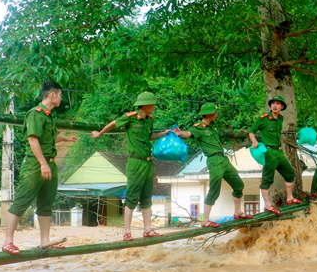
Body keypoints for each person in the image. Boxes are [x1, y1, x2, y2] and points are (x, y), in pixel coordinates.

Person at [91, 91, 165, 240]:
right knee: (131, 196)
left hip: (148, 162)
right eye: (152, 105)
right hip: (135, 162)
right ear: (145, 105)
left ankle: (148, 229)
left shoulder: (150, 120)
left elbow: (149, 136)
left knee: (146, 197)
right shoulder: (130, 117)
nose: (154, 107)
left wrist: (164, 133)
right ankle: (127, 232)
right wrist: (100, 133)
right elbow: (113, 123)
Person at [3, 80, 64, 252]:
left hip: (50, 164)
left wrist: (65, 139)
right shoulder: (35, 114)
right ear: (52, 95)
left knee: (46, 204)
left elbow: (48, 139)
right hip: (36, 164)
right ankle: (8, 241)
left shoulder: (49, 116)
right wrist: (43, 164)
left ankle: (45, 241)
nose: (61, 98)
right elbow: (33, 139)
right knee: (22, 201)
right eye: (60, 95)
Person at [170, 103, 247, 227]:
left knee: (238, 185)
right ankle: (205, 220)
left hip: (224, 159)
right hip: (214, 161)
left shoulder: (212, 127)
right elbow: (189, 133)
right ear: (209, 114)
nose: (216, 115)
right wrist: (180, 133)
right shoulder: (199, 127)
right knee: (214, 190)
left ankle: (237, 212)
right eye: (215, 113)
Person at [246, 96, 297, 213]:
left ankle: (290, 198)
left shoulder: (280, 119)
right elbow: (251, 130)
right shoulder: (263, 119)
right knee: (267, 179)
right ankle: (267, 204)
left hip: (279, 152)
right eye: (273, 103)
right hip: (268, 152)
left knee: (290, 173)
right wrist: (254, 141)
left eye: (277, 104)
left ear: (282, 106)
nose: (274, 105)